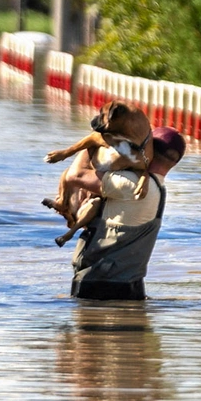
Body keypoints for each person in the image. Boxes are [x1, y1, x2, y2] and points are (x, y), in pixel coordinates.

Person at [71, 126, 187, 301]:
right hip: (130, 287)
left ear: (147, 151)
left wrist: (94, 139)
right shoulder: (158, 188)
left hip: (100, 287)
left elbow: (76, 175)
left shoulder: (131, 184)